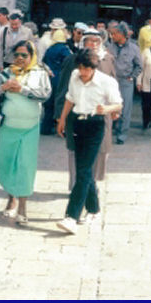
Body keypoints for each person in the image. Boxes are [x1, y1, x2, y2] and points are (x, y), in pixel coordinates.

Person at [56, 49, 122, 235]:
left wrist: (106, 108)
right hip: (77, 123)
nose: (83, 72)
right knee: (83, 169)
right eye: (81, 68)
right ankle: (94, 209)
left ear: (94, 68)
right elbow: (69, 98)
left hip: (95, 124)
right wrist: (62, 119)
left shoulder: (106, 82)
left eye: (87, 69)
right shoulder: (74, 75)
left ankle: (71, 216)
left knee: (84, 170)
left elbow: (118, 104)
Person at [0, 40, 51, 225]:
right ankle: (11, 198)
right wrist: (2, 88)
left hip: (29, 128)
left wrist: (22, 89)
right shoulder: (6, 73)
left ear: (32, 56)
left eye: (25, 55)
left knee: (25, 166)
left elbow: (45, 95)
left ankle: (22, 206)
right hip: (8, 128)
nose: (20, 58)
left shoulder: (40, 73)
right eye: (17, 55)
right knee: (7, 164)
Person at [54, 29, 116, 189]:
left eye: (97, 41)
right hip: (77, 115)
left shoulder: (108, 59)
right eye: (90, 41)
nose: (94, 44)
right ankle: (76, 186)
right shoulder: (73, 60)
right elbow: (63, 90)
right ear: (83, 42)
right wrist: (60, 116)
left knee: (101, 150)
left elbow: (115, 87)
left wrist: (114, 109)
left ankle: (92, 186)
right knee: (76, 152)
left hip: (101, 115)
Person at [107, 22, 142, 144]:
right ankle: (110, 130)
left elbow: (139, 66)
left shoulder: (134, 48)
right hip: (111, 81)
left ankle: (122, 134)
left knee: (125, 108)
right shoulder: (109, 47)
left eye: (115, 34)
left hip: (126, 81)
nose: (112, 36)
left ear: (122, 34)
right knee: (110, 106)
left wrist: (132, 77)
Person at [40, 29, 71, 135]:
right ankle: (61, 128)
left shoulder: (50, 49)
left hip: (50, 77)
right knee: (60, 103)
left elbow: (43, 62)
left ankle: (45, 128)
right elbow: (69, 61)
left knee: (48, 105)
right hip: (61, 78)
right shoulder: (64, 49)